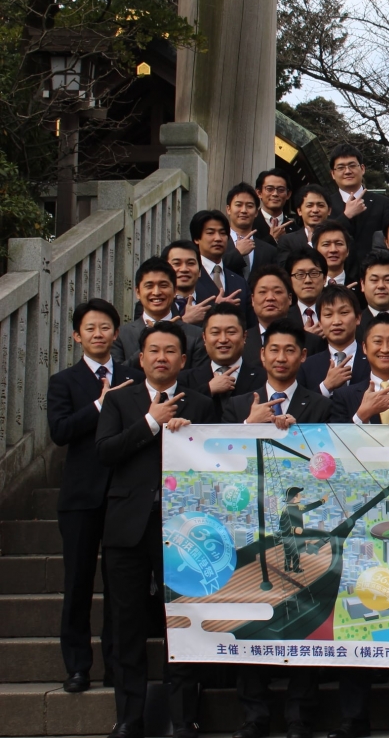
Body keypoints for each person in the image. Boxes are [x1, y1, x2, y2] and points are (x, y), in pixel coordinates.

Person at [96, 320, 217, 738]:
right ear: (141, 357)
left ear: (183, 360)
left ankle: (183, 719)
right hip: (127, 526)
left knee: (182, 622)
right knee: (126, 623)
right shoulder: (119, 400)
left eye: (170, 351)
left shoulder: (200, 404)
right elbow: (105, 452)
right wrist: (151, 421)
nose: (161, 358)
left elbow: (214, 466)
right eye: (154, 351)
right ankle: (129, 718)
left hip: (184, 532)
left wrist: (190, 437)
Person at [47, 299, 143, 695]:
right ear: (77, 336)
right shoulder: (63, 381)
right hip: (81, 497)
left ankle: (117, 665)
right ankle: (77, 666)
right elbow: (60, 431)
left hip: (124, 493)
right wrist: (102, 403)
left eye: (105, 327)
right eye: (90, 328)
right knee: (78, 583)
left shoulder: (134, 376)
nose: (98, 334)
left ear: (116, 333)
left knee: (121, 588)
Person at [223, 320, 334, 425]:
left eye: (289, 350)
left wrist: (297, 431)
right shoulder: (237, 405)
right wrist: (249, 424)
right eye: (274, 350)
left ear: (303, 355)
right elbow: (224, 439)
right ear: (263, 354)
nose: (281, 358)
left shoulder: (322, 406)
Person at [111, 258, 208, 367]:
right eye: (149, 286)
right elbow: (117, 374)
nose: (156, 292)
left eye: (163, 285)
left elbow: (198, 375)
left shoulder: (196, 335)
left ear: (175, 290)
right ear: (138, 292)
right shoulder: (121, 335)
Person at [177, 303, 266, 414]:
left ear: (244, 336)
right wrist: (208, 390)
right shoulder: (185, 380)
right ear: (204, 337)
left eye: (231, 332)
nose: (223, 339)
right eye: (215, 333)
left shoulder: (264, 378)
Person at [325, 144, 389, 265]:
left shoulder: (382, 203)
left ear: (362, 169)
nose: (347, 171)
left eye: (352, 165)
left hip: (374, 271)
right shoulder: (325, 205)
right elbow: (323, 238)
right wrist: (346, 216)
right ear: (333, 174)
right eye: (341, 167)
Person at [297, 285, 370, 397]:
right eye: (328, 314)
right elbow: (302, 405)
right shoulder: (307, 366)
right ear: (320, 323)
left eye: (344, 312)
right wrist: (326, 387)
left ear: (358, 318)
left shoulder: (373, 360)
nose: (336, 321)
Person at [245, 266, 326, 360]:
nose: (270, 298)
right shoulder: (241, 341)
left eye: (277, 292)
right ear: (252, 300)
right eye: (263, 292)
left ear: (290, 298)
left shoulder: (312, 342)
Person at [191, 209, 250, 309]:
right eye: (210, 233)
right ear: (196, 239)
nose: (218, 238)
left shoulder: (239, 282)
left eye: (223, 233)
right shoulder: (189, 277)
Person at [224, 182, 279, 277]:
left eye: (249, 206)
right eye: (238, 205)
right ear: (228, 209)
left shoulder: (270, 251)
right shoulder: (218, 244)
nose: (244, 210)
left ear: (256, 212)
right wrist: (237, 254)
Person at [277, 185, 335, 255]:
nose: (315, 210)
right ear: (299, 211)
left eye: (320, 205)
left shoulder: (340, 238)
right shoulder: (288, 241)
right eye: (309, 205)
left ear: (329, 210)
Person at [286, 247, 328, 335]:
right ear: (290, 280)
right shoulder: (284, 318)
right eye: (300, 274)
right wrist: (306, 338)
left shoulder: (337, 315)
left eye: (314, 273)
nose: (307, 280)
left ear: (324, 279)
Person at [254, 168, 298, 240]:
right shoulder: (249, 224)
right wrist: (272, 239)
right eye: (269, 189)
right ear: (259, 193)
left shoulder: (295, 229)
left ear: (288, 194)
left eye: (281, 190)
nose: (275, 194)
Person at [312, 220, 354, 286]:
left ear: (348, 250)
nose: (333, 250)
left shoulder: (360, 287)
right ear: (315, 250)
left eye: (339, 244)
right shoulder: (309, 287)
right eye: (326, 244)